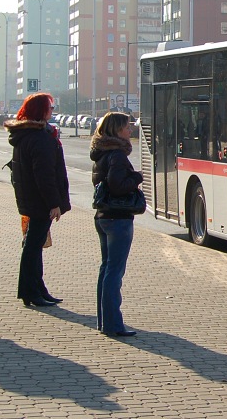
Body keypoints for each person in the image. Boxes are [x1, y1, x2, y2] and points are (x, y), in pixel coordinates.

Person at [5, 93, 71, 307]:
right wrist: (54, 203)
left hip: (31, 199)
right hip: (40, 201)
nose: (53, 110)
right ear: (40, 111)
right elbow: (44, 175)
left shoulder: (28, 135)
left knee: (33, 245)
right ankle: (29, 292)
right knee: (33, 247)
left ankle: (37, 289)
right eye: (50, 107)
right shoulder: (40, 138)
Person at [91, 112, 143, 337]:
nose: (130, 130)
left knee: (106, 268)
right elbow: (118, 185)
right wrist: (137, 178)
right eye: (126, 127)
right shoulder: (118, 155)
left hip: (103, 216)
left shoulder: (101, 153)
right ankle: (113, 324)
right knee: (114, 271)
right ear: (116, 130)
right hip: (118, 219)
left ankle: (104, 321)